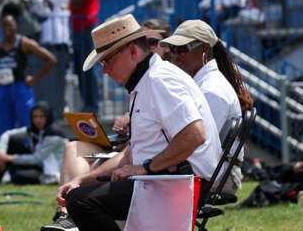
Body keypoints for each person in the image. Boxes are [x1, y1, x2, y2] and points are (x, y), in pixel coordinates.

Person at [52, 14, 221, 231]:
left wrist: (145, 168)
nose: (104, 70)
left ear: (132, 51)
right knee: (79, 195)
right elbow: (130, 154)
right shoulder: (148, 79)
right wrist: (82, 180)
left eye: (107, 60)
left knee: (81, 201)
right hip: (167, 179)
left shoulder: (159, 80)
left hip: (178, 183)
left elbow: (195, 135)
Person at [159, 19, 254, 194]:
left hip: (217, 175)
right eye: (173, 50)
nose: (176, 56)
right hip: (209, 169)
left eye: (182, 49)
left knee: (135, 182)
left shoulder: (211, 89)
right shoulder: (202, 83)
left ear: (205, 49)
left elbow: (198, 145)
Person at [0, 5, 56, 137]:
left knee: (26, 123)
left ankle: (29, 152)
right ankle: (5, 154)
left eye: (10, 25)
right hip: (3, 89)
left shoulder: (24, 43)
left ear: (16, 25)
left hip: (20, 87)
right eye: (4, 26)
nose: (7, 29)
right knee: (4, 127)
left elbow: (51, 60)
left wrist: (34, 79)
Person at [0, 102, 66, 185]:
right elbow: (7, 134)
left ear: (48, 117)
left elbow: (37, 158)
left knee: (20, 177)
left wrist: (9, 158)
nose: (38, 120)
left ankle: (5, 177)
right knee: (14, 140)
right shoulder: (35, 130)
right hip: (40, 167)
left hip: (52, 173)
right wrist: (0, 153)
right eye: (35, 117)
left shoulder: (54, 134)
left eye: (41, 116)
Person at [35, 0, 71, 113]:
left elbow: (48, 2)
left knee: (57, 81)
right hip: (49, 37)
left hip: (58, 38)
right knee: (50, 82)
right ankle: (54, 111)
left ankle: (59, 110)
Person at [67, 0, 100, 113]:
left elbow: (78, 3)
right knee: (80, 68)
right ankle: (87, 103)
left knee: (87, 67)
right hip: (80, 27)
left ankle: (92, 105)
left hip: (85, 27)